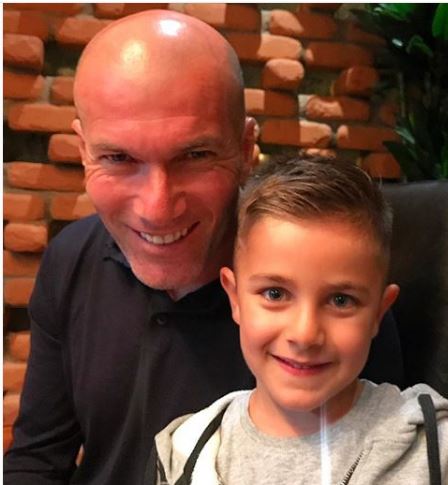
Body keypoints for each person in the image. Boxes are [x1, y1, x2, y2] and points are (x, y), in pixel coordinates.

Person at [3, 10, 404, 484]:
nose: (157, 209)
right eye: (118, 158)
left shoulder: (326, 298)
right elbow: (37, 459)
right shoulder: (70, 257)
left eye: (195, 155)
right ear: (83, 151)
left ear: (246, 147)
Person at [150, 156, 448, 484]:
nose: (305, 334)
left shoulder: (436, 452)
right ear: (235, 298)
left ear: (378, 313)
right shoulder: (187, 453)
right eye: (275, 294)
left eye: (340, 300)